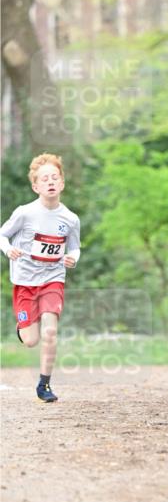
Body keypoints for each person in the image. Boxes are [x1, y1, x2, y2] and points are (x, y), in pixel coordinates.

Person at [0, 153, 81, 403]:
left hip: (53, 279)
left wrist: (73, 258)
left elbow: (75, 247)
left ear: (62, 183)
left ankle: (44, 384)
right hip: (25, 281)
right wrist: (7, 248)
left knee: (50, 332)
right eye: (44, 179)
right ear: (36, 186)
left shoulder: (70, 219)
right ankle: (23, 328)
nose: (50, 182)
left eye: (55, 177)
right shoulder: (24, 213)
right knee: (31, 340)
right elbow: (2, 235)